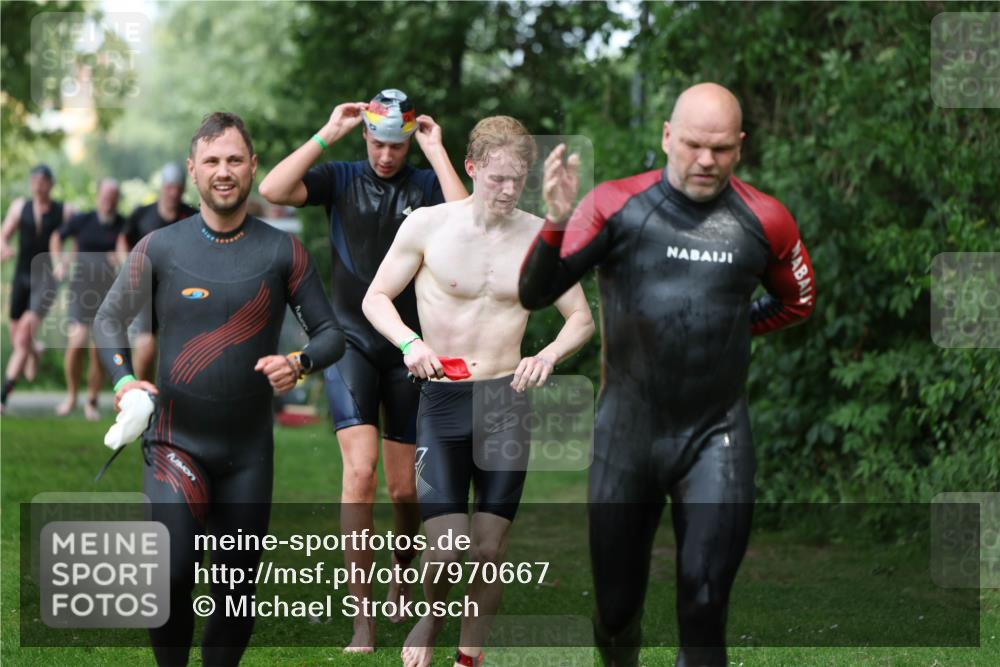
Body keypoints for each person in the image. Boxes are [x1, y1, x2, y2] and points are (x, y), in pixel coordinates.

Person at [518, 83, 816, 667]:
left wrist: (728, 331)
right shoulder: (614, 204)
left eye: (723, 149)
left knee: (705, 606)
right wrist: (555, 220)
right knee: (615, 608)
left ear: (740, 147)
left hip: (715, 438)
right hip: (625, 438)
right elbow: (535, 292)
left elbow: (796, 303)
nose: (707, 160)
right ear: (667, 138)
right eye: (695, 145)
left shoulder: (765, 218)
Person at [94, 112, 345, 667]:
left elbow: (331, 335)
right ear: (192, 171)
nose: (223, 171)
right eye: (211, 161)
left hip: (247, 454)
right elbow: (108, 321)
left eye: (234, 159)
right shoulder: (160, 248)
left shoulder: (283, 252)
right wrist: (123, 379)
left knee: (234, 597)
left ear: (253, 167)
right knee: (171, 573)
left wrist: (299, 363)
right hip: (174, 442)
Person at [363, 115, 595, 667]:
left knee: (490, 548)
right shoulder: (428, 226)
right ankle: (432, 615)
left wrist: (547, 355)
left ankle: (470, 655)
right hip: (442, 400)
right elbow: (375, 297)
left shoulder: (540, 236)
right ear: (471, 169)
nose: (508, 191)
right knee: (444, 548)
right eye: (496, 179)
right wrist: (408, 344)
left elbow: (582, 319)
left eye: (518, 179)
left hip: (505, 402)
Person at [259, 88, 467, 651]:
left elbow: (466, 220)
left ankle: (403, 566)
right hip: (350, 342)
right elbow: (272, 189)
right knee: (360, 475)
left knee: (403, 491)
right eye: (377, 142)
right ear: (366, 136)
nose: (385, 155)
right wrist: (331, 130)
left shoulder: (424, 186)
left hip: (406, 347)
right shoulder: (341, 177)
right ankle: (363, 620)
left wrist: (437, 150)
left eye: (396, 145)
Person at [50, 178, 128, 420]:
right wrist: (58, 263)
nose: (108, 202)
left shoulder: (124, 225)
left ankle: (91, 400)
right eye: (105, 197)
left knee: (98, 350)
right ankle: (72, 396)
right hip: (80, 291)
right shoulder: (83, 219)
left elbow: (129, 249)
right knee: (76, 343)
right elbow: (56, 237)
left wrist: (120, 259)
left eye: (113, 198)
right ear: (98, 197)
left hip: (108, 295)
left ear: (117, 200)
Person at [0, 165, 72, 412]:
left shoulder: (64, 211)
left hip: (47, 280)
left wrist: (65, 261)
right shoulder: (20, 207)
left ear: (51, 184)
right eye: (34, 181)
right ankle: (35, 350)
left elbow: (77, 239)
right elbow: (3, 236)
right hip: (21, 277)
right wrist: (4, 248)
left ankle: (2, 397)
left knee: (22, 337)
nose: (38, 185)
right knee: (17, 336)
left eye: (43, 181)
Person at [125, 162, 199, 381]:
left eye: (177, 187)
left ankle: (171, 398)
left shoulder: (193, 217)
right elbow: (123, 240)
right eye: (169, 187)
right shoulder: (142, 214)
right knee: (146, 350)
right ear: (162, 188)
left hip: (180, 290)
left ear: (183, 189)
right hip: (146, 289)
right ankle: (142, 395)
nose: (173, 192)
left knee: (180, 351)